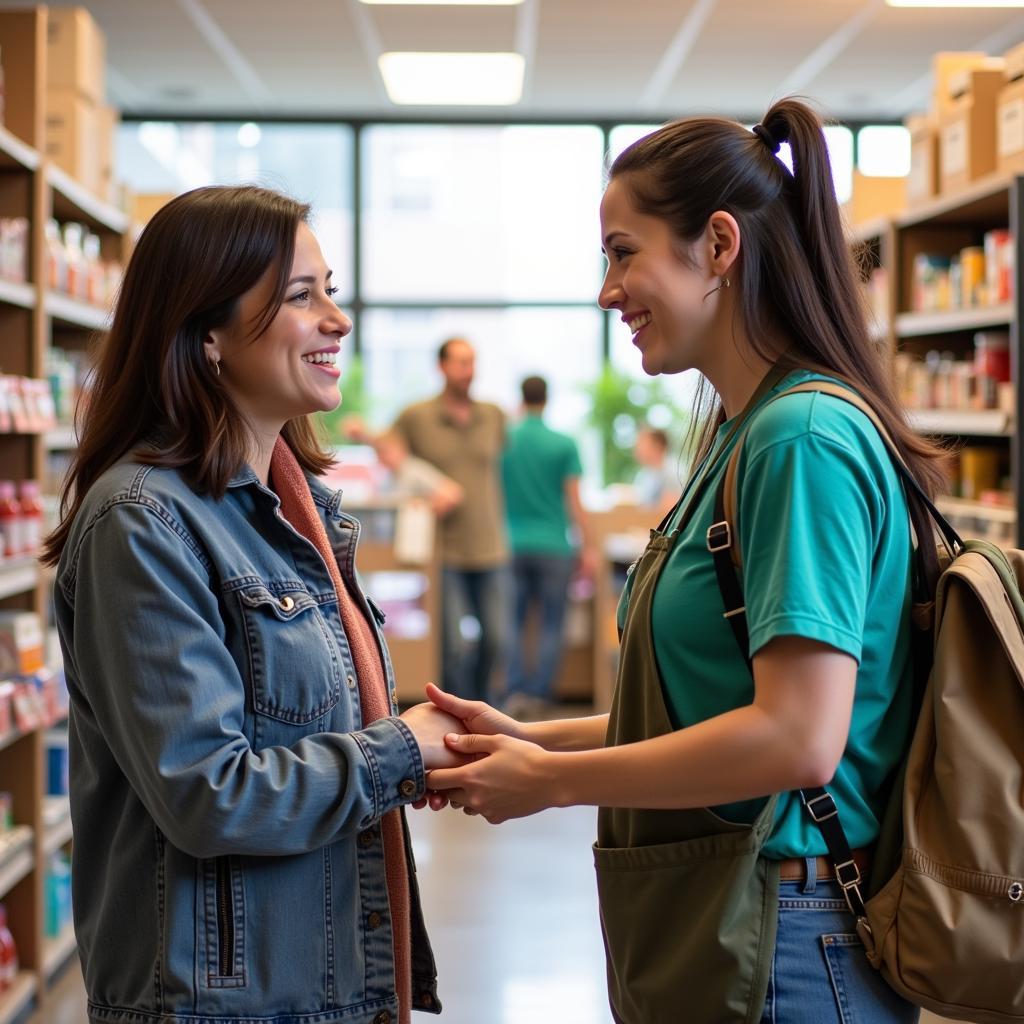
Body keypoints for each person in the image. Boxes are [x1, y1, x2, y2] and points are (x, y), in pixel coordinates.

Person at [421, 99, 946, 1023]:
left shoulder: (801, 439)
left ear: (717, 244)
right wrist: (532, 736)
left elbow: (796, 738)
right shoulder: (745, 436)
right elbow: (716, 704)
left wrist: (552, 783)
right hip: (744, 921)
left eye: (624, 253)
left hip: (785, 933)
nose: (607, 290)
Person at [40, 185, 467, 1024]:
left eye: (330, 289)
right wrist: (395, 755)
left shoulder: (294, 511)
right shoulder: (143, 522)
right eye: (301, 297)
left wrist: (415, 746)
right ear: (206, 335)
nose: (338, 321)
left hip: (323, 985)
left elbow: (300, 735)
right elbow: (210, 792)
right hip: (219, 1004)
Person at [382, 338, 509, 703]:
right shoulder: (416, 416)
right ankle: (457, 716)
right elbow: (391, 459)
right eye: (460, 363)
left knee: (498, 639)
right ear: (441, 367)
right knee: (452, 646)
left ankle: (486, 713)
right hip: (443, 550)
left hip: (490, 546)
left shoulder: (493, 415)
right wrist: (424, 492)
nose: (468, 371)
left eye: (472, 362)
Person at [501, 375, 595, 717]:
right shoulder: (563, 443)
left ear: (521, 398)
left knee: (511, 621)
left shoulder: (505, 440)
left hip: (510, 543)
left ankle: (513, 691)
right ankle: (540, 694)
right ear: (547, 399)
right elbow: (574, 500)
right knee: (553, 622)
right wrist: (589, 546)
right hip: (555, 545)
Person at [632, 424, 679, 517]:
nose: (636, 448)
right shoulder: (645, 474)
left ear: (657, 446)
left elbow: (667, 513)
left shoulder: (672, 474)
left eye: (641, 443)